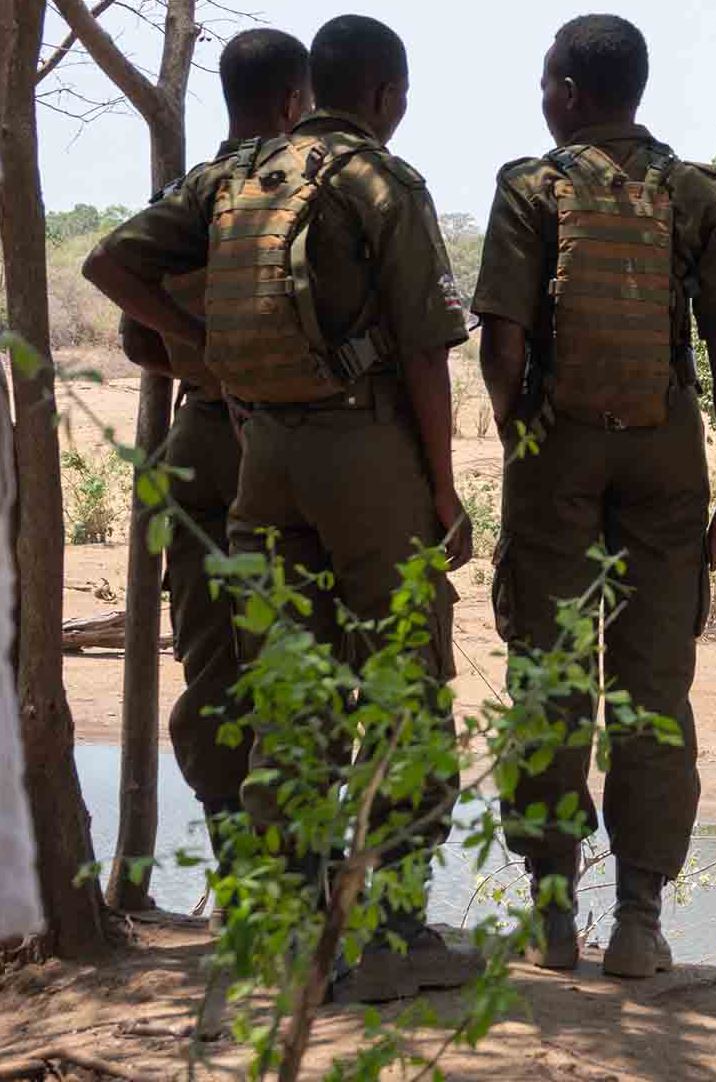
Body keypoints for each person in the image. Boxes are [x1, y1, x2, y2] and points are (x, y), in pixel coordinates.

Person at [85, 14, 477, 1004]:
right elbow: (427, 353)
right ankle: (391, 932)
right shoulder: (380, 181)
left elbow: (112, 264)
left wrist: (199, 340)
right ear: (383, 94)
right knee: (402, 676)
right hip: (360, 450)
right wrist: (441, 488)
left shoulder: (231, 178)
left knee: (282, 691)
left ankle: (284, 935)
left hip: (259, 454)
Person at [473, 13, 716, 976]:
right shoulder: (695, 193)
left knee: (549, 682)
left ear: (564, 89)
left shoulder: (531, 187)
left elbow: (502, 343)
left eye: (544, 80)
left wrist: (524, 437)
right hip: (668, 458)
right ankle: (639, 922)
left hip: (555, 457)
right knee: (653, 692)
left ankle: (554, 919)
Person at [86, 28, 311, 897]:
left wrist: (200, 347)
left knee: (213, 666)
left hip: (202, 437)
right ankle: (294, 885)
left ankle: (236, 880)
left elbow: (128, 316)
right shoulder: (300, 188)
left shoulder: (192, 192)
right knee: (293, 659)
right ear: (295, 100)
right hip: (281, 445)